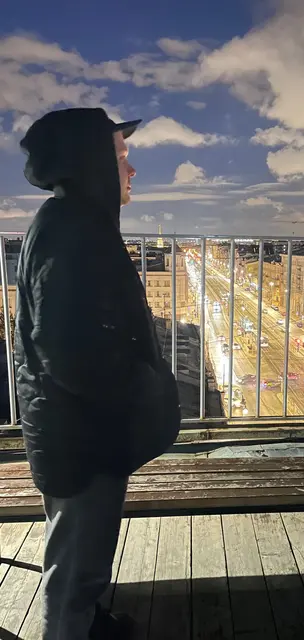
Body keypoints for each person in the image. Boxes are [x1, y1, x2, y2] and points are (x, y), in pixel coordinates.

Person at [14, 108, 180, 640]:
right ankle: (70, 631)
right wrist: (141, 387)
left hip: (74, 426)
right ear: (91, 164)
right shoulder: (75, 232)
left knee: (83, 548)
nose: (131, 170)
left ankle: (87, 624)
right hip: (81, 433)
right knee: (76, 563)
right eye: (121, 157)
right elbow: (69, 349)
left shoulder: (69, 221)